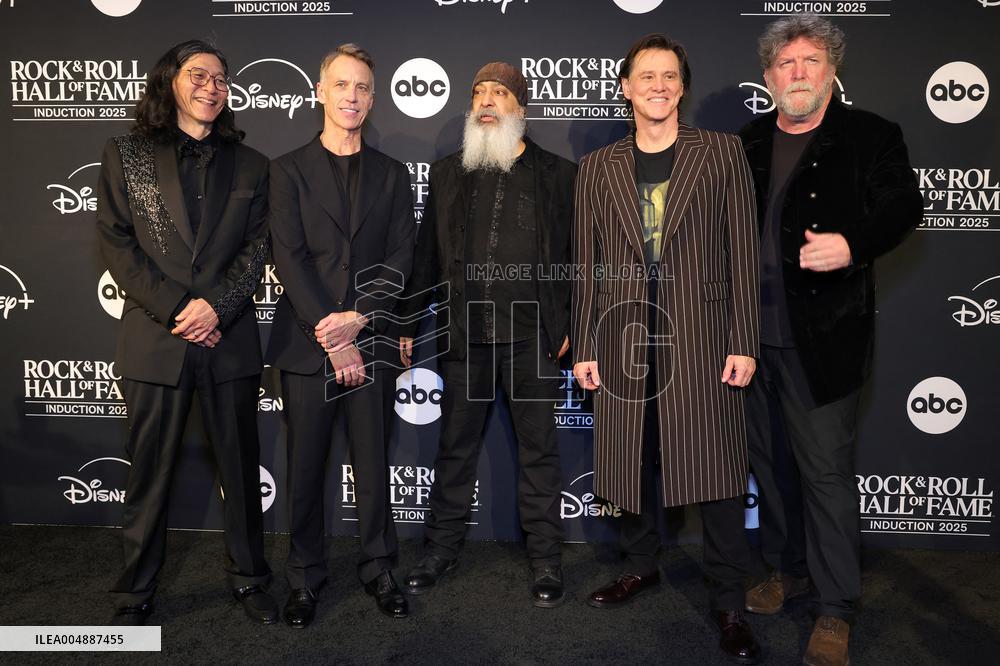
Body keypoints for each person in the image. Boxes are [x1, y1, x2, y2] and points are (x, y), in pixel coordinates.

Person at [739, 15, 922, 665]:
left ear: (832, 71)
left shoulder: (871, 136)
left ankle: (836, 608)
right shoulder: (747, 141)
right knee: (773, 472)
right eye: (785, 63)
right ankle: (787, 572)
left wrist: (854, 244)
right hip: (748, 345)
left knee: (825, 478)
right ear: (768, 78)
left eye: (810, 60)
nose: (797, 73)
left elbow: (903, 207)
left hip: (826, 342)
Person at [572, 34, 761, 662]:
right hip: (624, 336)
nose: (657, 85)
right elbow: (587, 262)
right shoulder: (598, 169)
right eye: (645, 76)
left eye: (669, 76)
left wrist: (743, 339)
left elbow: (742, 253)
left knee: (717, 473)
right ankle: (640, 565)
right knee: (630, 458)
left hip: (705, 338)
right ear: (625, 87)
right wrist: (587, 343)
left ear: (682, 87)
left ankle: (729, 601)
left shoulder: (723, 153)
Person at [96, 39, 274, 626]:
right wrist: (181, 309)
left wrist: (215, 309)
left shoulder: (252, 164)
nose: (212, 87)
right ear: (170, 81)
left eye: (222, 79)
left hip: (229, 342)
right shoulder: (127, 154)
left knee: (241, 470)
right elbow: (119, 247)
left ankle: (251, 579)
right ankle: (134, 591)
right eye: (199, 75)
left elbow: (257, 249)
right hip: (156, 342)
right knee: (148, 474)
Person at [397, 62, 576, 608]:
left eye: (499, 92)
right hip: (465, 337)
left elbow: (579, 261)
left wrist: (571, 327)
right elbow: (427, 253)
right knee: (454, 450)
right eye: (479, 93)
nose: (486, 101)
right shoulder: (451, 172)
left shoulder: (558, 174)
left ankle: (546, 558)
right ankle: (440, 549)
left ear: (520, 107)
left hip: (532, 339)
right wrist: (407, 320)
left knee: (540, 453)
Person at [266, 43, 416, 626]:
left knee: (374, 465)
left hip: (372, 342)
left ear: (372, 100)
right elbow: (290, 257)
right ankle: (304, 578)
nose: (352, 96)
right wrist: (335, 332)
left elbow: (402, 253)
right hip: (309, 347)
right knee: (305, 468)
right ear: (320, 92)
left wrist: (362, 318)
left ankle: (379, 568)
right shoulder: (286, 170)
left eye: (362, 88)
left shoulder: (392, 174)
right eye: (342, 85)